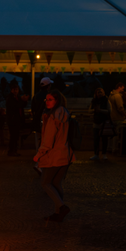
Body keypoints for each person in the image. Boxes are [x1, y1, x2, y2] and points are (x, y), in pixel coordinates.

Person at [33, 89, 74, 222]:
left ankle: (61, 207)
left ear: (57, 101)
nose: (47, 102)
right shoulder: (64, 113)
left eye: (50, 99)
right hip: (65, 154)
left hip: (54, 155)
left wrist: (38, 154)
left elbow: (48, 140)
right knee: (56, 183)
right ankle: (58, 213)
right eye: (46, 99)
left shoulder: (52, 117)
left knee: (45, 182)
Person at [5, 82, 28, 156]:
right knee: (13, 136)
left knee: (15, 136)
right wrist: (23, 101)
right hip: (13, 120)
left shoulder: (17, 97)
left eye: (17, 89)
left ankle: (14, 150)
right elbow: (16, 106)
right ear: (11, 90)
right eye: (14, 89)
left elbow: (22, 106)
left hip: (17, 120)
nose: (15, 91)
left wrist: (25, 101)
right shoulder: (10, 98)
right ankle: (11, 151)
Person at [89, 87, 112, 161]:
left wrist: (100, 110)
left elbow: (109, 110)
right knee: (96, 139)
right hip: (96, 122)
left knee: (104, 139)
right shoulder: (94, 101)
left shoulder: (106, 100)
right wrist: (94, 110)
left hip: (104, 122)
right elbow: (89, 110)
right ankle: (96, 154)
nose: (99, 93)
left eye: (101, 92)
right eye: (98, 92)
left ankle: (104, 153)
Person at [30, 77, 53, 145]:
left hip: (37, 122)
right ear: (48, 86)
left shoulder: (36, 96)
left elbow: (33, 109)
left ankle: (39, 151)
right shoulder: (49, 96)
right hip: (46, 122)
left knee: (38, 140)